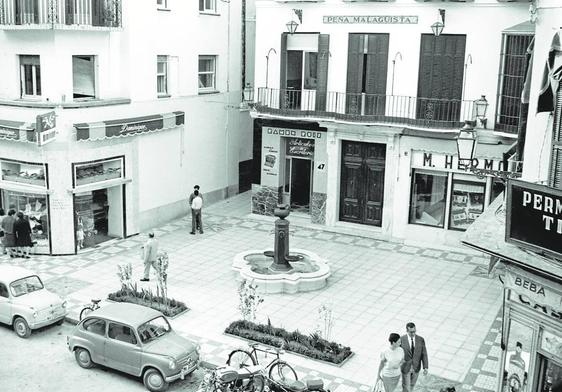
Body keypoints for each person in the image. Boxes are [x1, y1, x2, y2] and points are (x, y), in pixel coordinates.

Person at [400, 322, 429, 392]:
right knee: (406, 387)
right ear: (407, 331)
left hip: (416, 367)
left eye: (414, 331)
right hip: (406, 367)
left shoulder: (420, 339)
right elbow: (397, 353)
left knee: (412, 385)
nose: (413, 334)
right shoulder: (401, 339)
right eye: (411, 332)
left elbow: (424, 353)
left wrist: (425, 367)